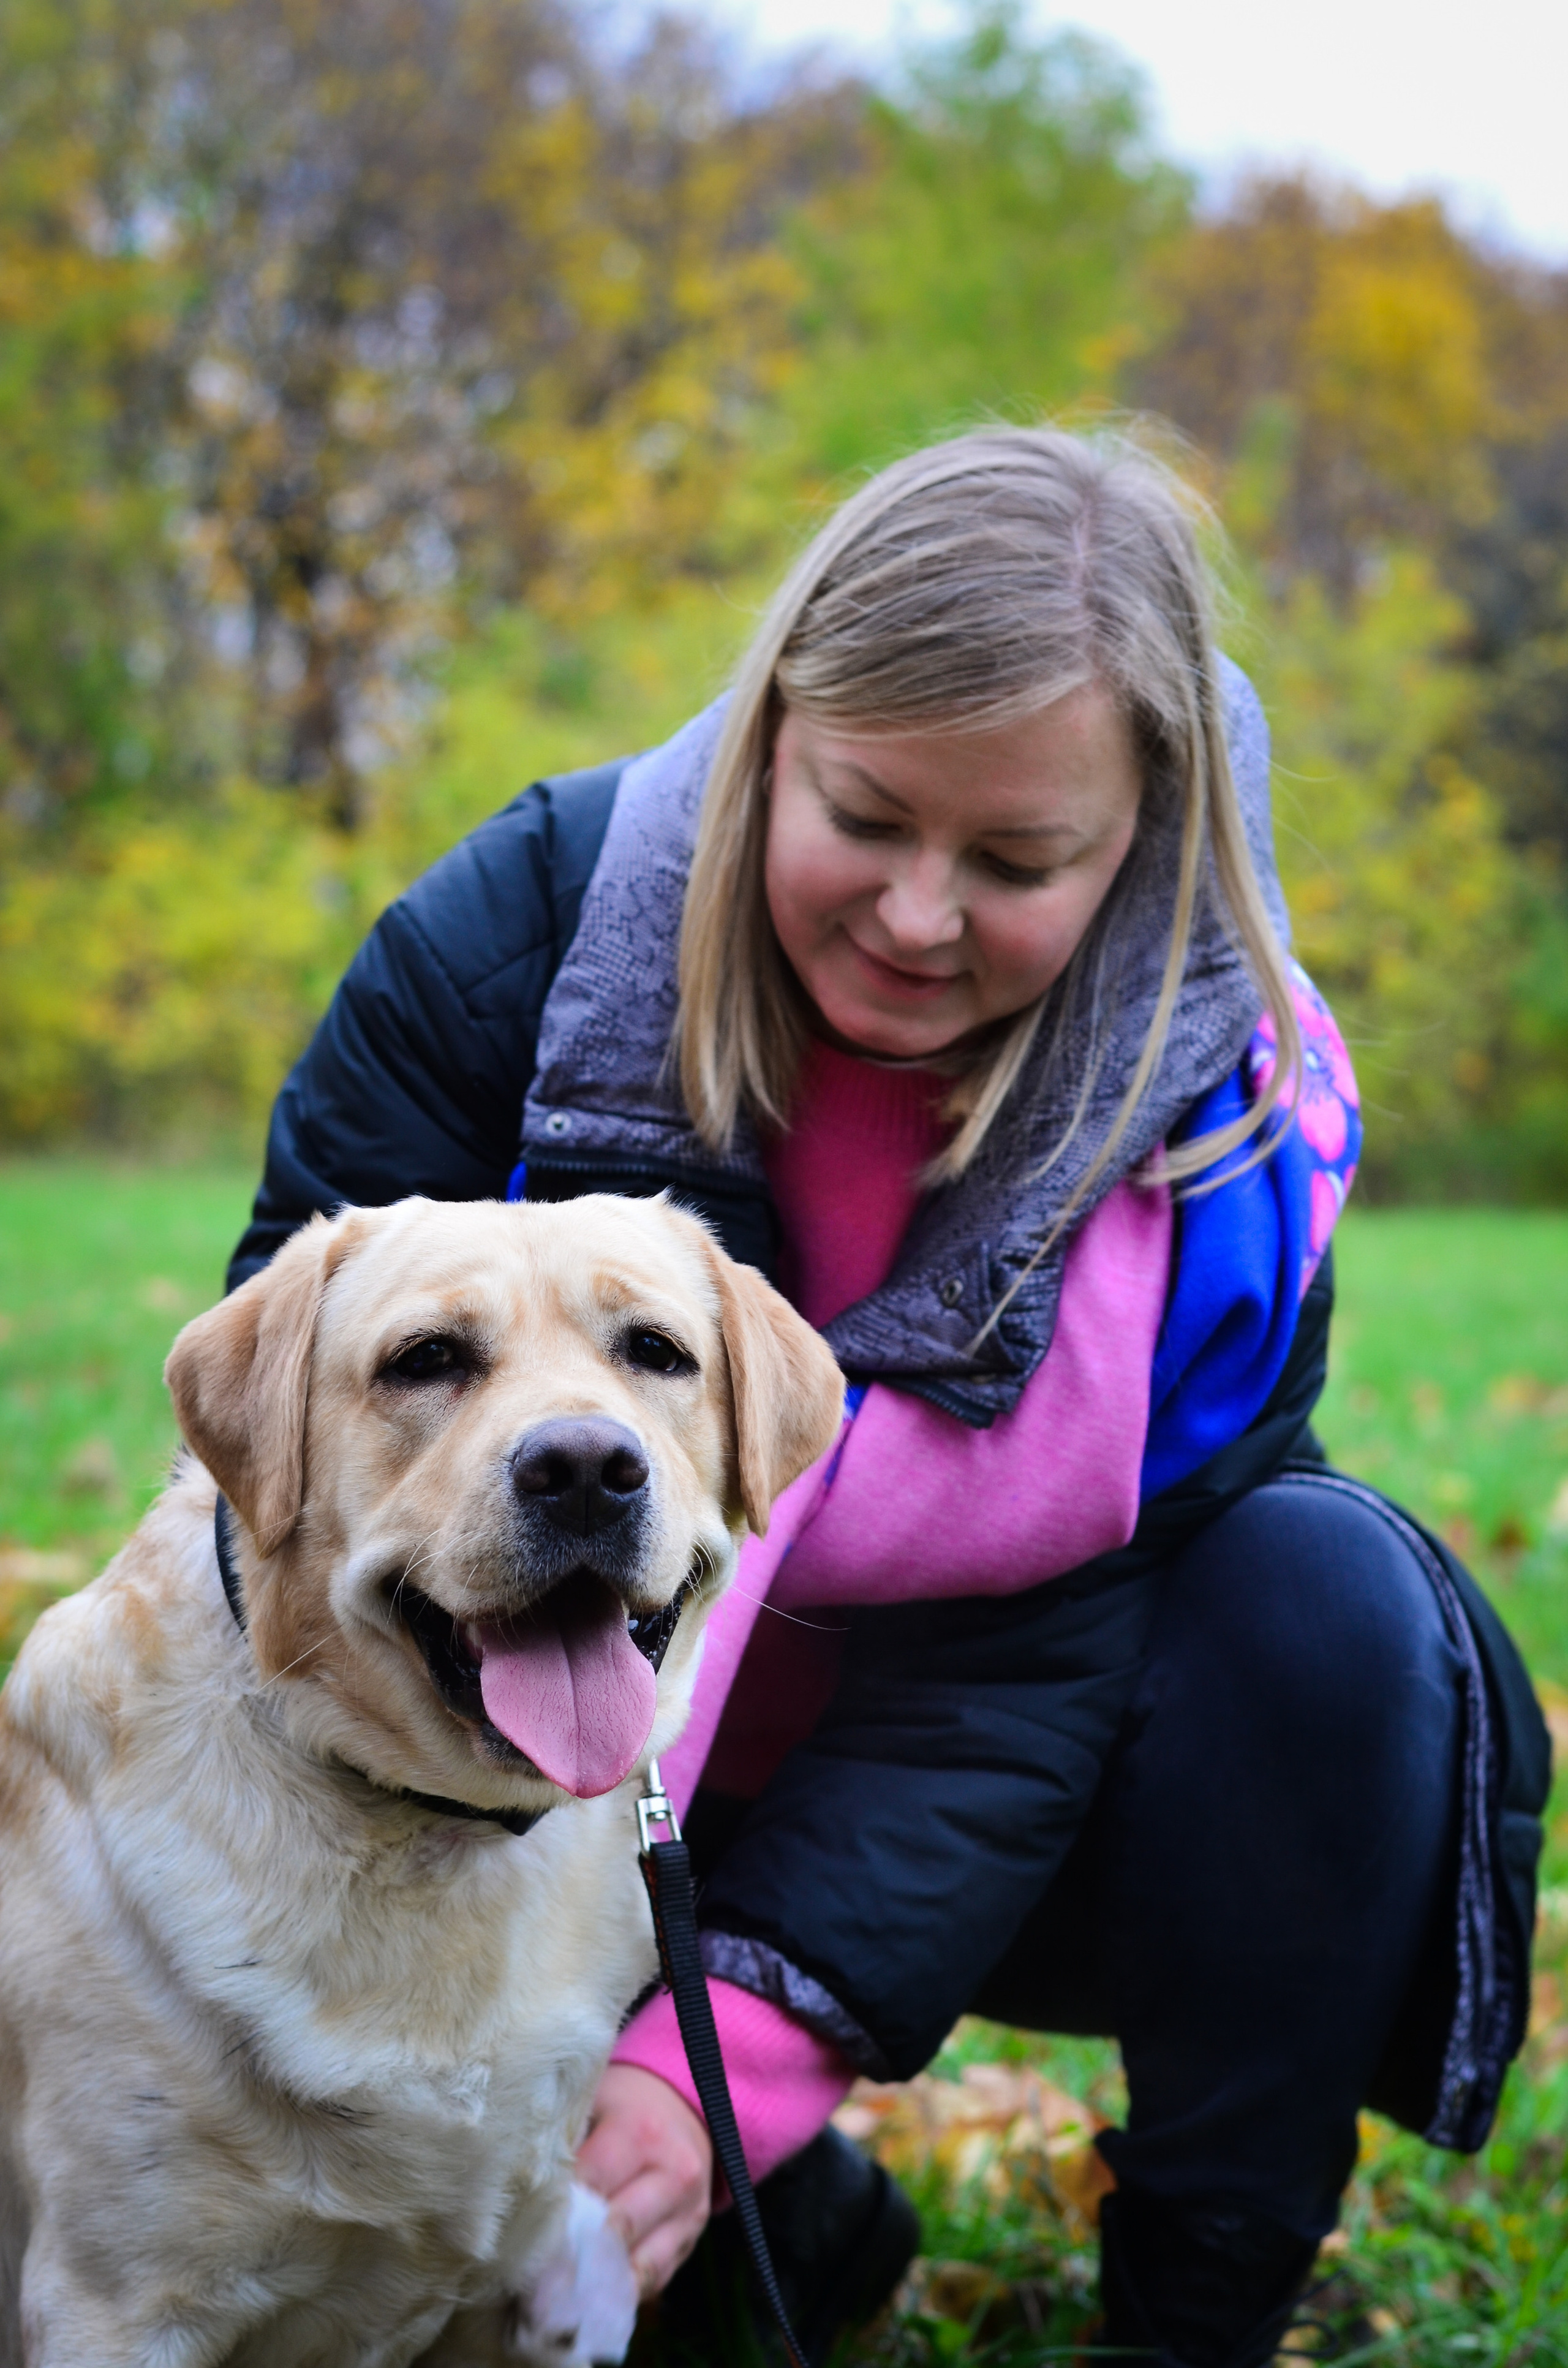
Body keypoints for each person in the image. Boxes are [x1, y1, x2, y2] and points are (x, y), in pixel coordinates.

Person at [230, 427, 1550, 2368]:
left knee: (1326, 1600)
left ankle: (1195, 2306)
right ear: (773, 726)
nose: (920, 917)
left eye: (1018, 861)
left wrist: (719, 2068)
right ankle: (807, 2218)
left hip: (1015, 1816)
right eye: (865, 814)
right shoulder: (509, 939)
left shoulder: (1216, 1141)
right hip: (520, 1782)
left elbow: (1022, 1683)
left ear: (1145, 844)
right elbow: (280, 1479)